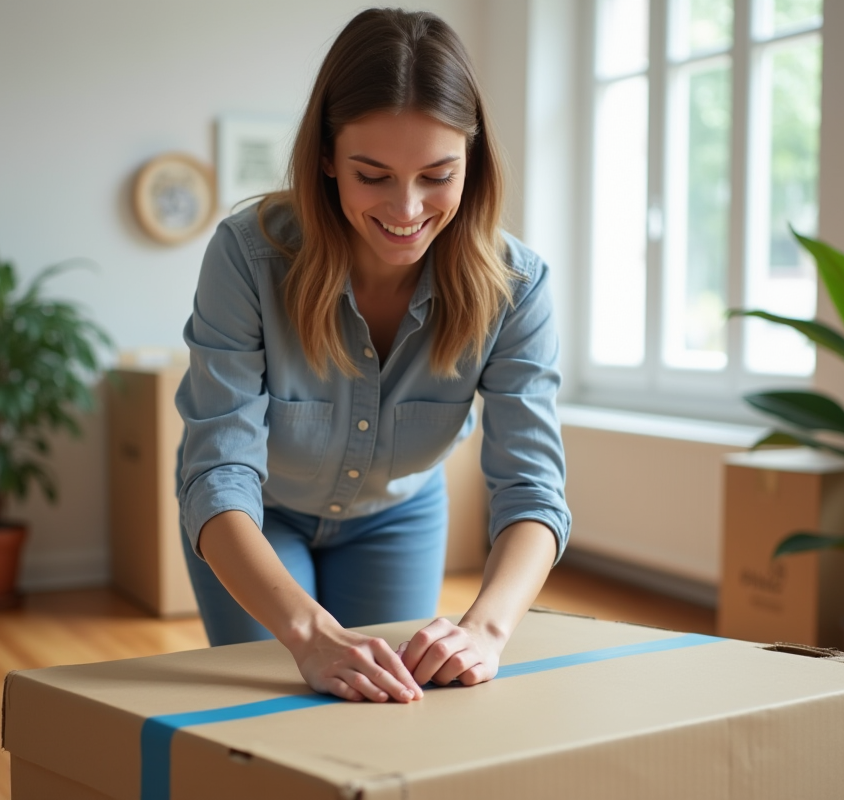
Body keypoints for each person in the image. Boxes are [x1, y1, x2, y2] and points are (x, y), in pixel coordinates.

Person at [175, 7, 570, 705]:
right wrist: (305, 634)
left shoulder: (519, 287)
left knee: (394, 709)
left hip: (399, 516)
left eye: (437, 174)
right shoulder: (247, 256)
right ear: (327, 157)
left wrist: (487, 630)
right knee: (279, 714)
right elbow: (217, 473)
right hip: (255, 521)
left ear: (471, 161)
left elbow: (532, 488)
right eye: (374, 175)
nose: (407, 207)